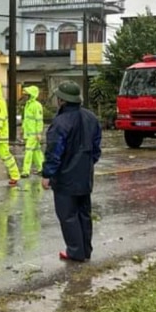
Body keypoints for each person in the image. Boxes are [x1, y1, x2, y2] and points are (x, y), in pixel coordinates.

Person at [41, 81, 102, 263]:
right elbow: (96, 148)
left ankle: (75, 252)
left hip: (65, 177)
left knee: (68, 215)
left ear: (62, 100)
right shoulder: (91, 118)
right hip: (85, 176)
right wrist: (88, 163)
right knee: (84, 213)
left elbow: (54, 152)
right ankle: (85, 249)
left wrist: (47, 174)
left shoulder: (60, 122)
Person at [20, 85, 44, 178]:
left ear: (31, 95)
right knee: (36, 151)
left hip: (33, 134)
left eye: (26, 94)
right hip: (30, 133)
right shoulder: (28, 104)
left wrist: (38, 132)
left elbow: (39, 120)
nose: (25, 96)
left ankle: (25, 171)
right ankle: (41, 168)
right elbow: (26, 119)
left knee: (28, 151)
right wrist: (23, 129)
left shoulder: (36, 105)